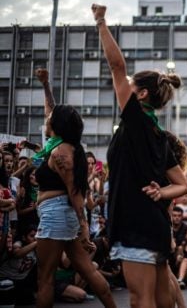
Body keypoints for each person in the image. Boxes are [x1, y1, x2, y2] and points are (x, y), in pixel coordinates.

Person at [92, 3, 187, 308]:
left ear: (142, 94)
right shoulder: (160, 136)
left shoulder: (135, 121)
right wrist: (162, 193)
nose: (124, 87)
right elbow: (182, 184)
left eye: (131, 86)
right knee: (161, 303)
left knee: (140, 301)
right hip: (155, 225)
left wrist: (101, 22)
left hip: (135, 223)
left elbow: (116, 67)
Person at [33, 68, 115, 308]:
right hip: (62, 214)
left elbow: (75, 192)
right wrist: (46, 84)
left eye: (50, 119)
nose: (47, 119)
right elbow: (51, 109)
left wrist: (84, 228)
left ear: (57, 125)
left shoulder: (61, 153)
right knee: (87, 270)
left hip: (57, 214)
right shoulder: (59, 144)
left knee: (45, 279)